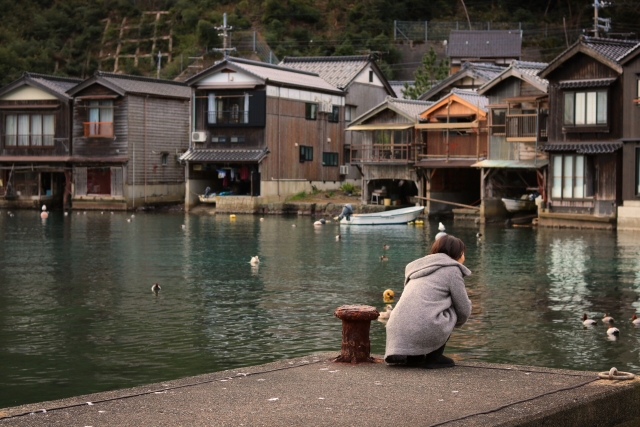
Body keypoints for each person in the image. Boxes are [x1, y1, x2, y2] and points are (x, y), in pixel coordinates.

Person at [384, 235, 471, 369]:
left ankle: (415, 357)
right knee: (453, 307)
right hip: (423, 327)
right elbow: (463, 308)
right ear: (458, 253)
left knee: (420, 307)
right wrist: (457, 323)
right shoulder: (452, 270)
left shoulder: (417, 267)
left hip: (396, 329)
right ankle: (434, 357)